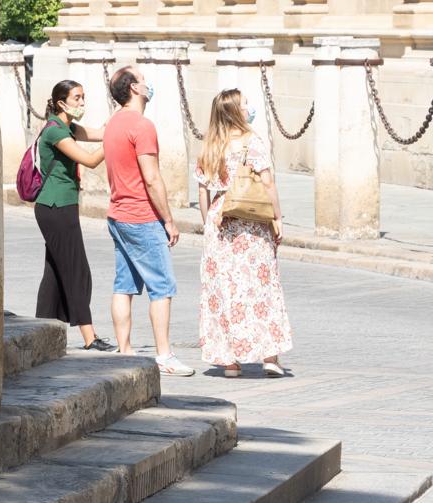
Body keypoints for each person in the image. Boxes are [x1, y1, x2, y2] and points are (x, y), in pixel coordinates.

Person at [102, 66, 195, 376]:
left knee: (124, 285)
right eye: (142, 79)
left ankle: (124, 349)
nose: (147, 82)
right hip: (142, 215)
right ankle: (164, 355)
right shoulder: (142, 126)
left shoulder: (113, 123)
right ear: (134, 89)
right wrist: (168, 219)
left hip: (117, 214)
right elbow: (152, 178)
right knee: (162, 287)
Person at [194, 89, 292, 378]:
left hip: (220, 218)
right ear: (236, 111)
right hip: (250, 219)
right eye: (246, 104)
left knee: (222, 289)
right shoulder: (253, 143)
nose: (250, 108)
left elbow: (203, 190)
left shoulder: (210, 146)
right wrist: (277, 217)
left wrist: (207, 223)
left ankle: (229, 362)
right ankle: (269, 357)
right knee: (261, 286)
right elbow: (268, 182)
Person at [33, 79, 115, 352]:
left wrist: (121, 118)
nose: (82, 103)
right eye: (77, 98)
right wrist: (115, 138)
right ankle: (89, 337)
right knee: (77, 271)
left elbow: (101, 133)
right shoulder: (56, 131)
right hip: (55, 208)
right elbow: (90, 160)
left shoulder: (68, 127)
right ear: (61, 103)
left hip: (61, 207)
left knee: (55, 272)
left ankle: (40, 333)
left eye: (83, 97)